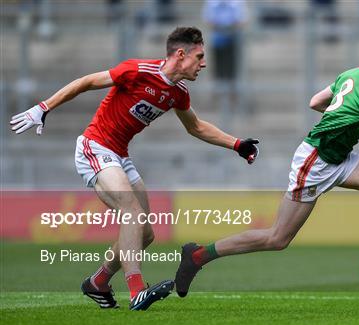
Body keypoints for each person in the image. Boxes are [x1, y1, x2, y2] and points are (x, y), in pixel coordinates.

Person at [10, 27, 259, 310]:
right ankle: (136, 290)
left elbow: (196, 127)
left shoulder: (178, 92)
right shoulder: (138, 71)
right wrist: (44, 107)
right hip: (95, 147)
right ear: (181, 54)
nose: (203, 63)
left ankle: (98, 282)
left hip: (119, 155)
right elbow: (86, 81)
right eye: (199, 56)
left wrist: (237, 144)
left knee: (145, 234)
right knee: (132, 212)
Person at [175, 28, 359, 297]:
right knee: (277, 239)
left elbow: (316, 102)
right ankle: (198, 256)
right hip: (316, 160)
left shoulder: (357, 72)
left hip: (339, 156)